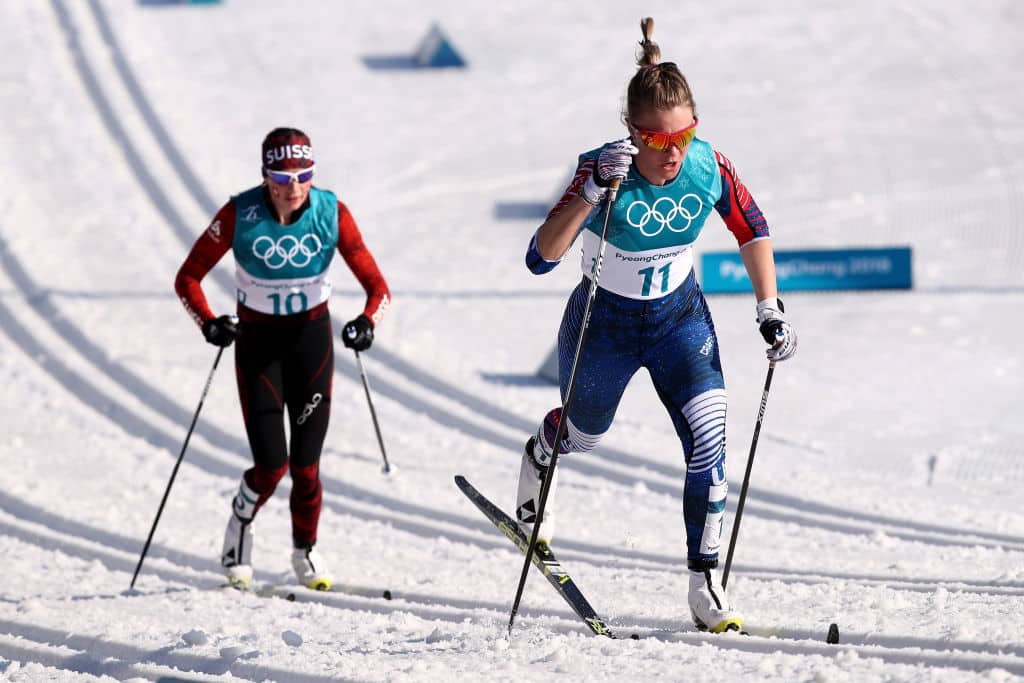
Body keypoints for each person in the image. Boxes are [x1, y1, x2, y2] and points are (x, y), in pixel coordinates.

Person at [515, 18, 797, 633]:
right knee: (582, 439)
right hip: (605, 325)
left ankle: (705, 582)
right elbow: (541, 258)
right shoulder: (604, 170)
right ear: (631, 132)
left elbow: (752, 228)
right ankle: (541, 454)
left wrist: (768, 307)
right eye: (657, 139)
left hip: (679, 320)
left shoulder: (705, 165)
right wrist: (590, 190)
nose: (672, 152)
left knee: (709, 441)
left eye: (685, 134)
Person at [175, 127, 390, 590]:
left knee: (306, 466)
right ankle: (239, 526)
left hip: (311, 343)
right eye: (281, 176)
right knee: (271, 465)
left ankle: (305, 551)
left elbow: (379, 288)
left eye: (302, 175)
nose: (292, 187)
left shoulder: (332, 213)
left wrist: (367, 322)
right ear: (265, 175)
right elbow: (188, 278)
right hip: (259, 347)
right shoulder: (240, 214)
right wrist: (210, 323)